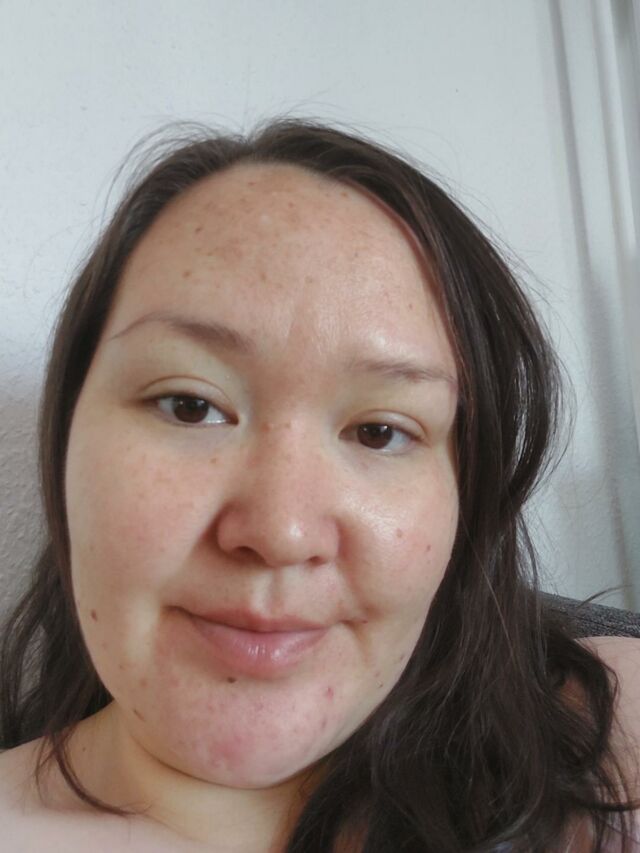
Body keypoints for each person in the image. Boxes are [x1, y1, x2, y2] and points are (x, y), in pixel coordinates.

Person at [0, 117, 638, 853]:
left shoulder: (608, 748)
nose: (281, 532)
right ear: (67, 443)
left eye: (380, 432)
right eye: (190, 405)